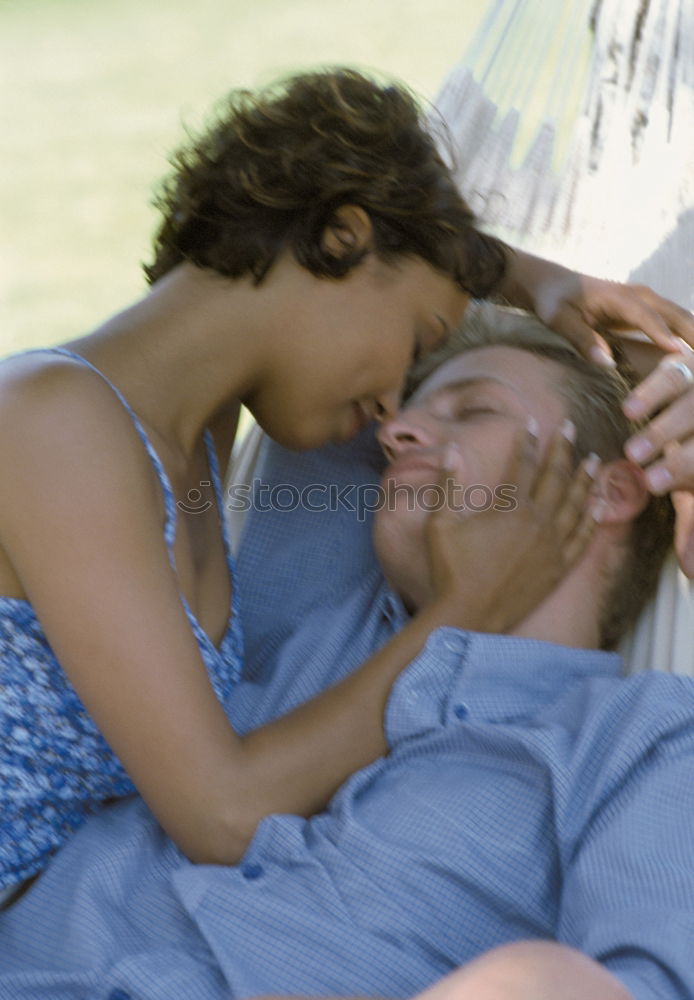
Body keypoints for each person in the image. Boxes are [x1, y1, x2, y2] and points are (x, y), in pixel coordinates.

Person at [3, 65, 692, 896]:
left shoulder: (195, 429)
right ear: (341, 239)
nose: (397, 407)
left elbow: (364, 246)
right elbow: (223, 815)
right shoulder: (51, 423)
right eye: (421, 341)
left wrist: (548, 285)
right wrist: (464, 612)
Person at [1, 312, 691, 1000]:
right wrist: (620, 337)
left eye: (475, 408)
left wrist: (655, 414)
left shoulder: (637, 740)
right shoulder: (324, 599)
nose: (395, 432)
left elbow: (646, 982)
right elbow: (312, 303)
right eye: (397, 421)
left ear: (612, 487)